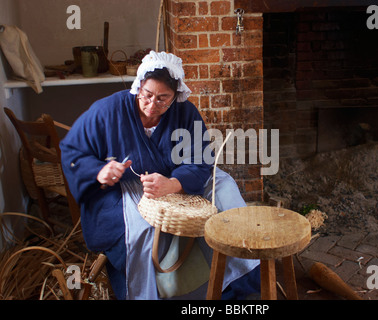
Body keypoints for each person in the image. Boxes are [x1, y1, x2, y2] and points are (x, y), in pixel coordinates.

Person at [60, 51, 260, 300]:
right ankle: (152, 294)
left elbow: (200, 158)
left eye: (163, 99)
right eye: (147, 95)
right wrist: (99, 170)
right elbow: (73, 151)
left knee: (226, 193)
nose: (153, 105)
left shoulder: (184, 112)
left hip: (179, 179)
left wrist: (175, 183)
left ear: (175, 95)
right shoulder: (108, 111)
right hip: (127, 186)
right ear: (138, 87)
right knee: (142, 231)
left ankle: (240, 285)